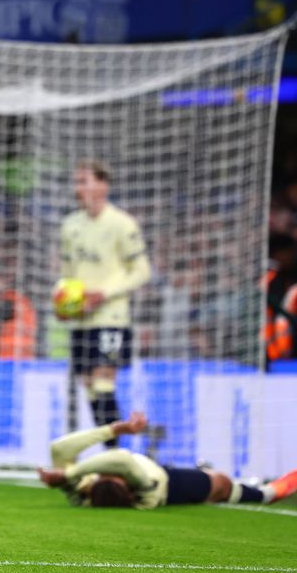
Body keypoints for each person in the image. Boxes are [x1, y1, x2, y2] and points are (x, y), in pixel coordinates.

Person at [58, 161, 151, 445]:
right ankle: (110, 449)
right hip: (82, 319)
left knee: (102, 382)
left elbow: (142, 271)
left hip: (111, 317)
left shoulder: (122, 224)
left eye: (84, 181)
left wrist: (104, 293)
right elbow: (67, 275)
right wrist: (63, 303)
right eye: (76, 182)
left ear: (103, 185)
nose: (78, 188)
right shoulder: (70, 225)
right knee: (89, 387)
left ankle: (114, 453)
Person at [37, 411, 297, 509]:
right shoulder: (142, 488)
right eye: (111, 476)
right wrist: (68, 475)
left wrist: (114, 430)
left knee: (61, 455)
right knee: (220, 484)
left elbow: (58, 448)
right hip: (169, 485)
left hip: (151, 467)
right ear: (126, 486)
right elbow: (121, 460)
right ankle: (265, 494)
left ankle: (206, 471)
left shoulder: (80, 491)